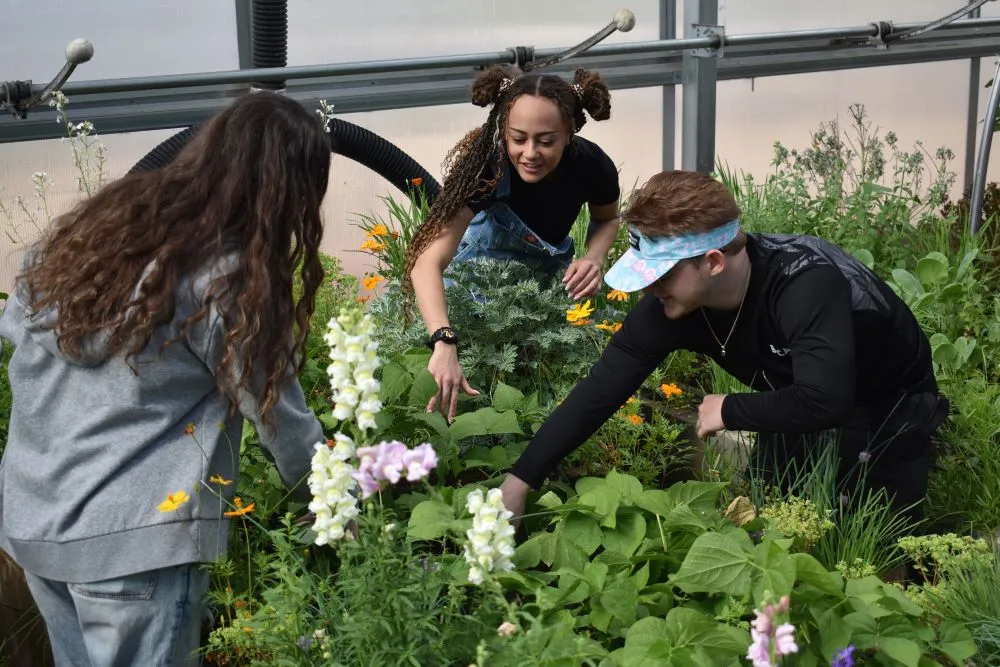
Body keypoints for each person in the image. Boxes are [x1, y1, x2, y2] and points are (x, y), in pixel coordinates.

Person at [0, 91, 331, 666]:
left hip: (35, 520)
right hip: (134, 546)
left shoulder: (96, 233)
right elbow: (277, 409)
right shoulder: (224, 275)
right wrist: (335, 498)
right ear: (288, 193)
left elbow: (15, 326)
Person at [499, 169, 949, 524]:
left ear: (713, 262)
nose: (647, 289)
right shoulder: (674, 302)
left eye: (661, 274)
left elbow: (825, 400)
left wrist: (730, 409)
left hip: (886, 402)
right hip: (794, 390)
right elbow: (602, 387)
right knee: (768, 516)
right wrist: (522, 478)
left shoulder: (803, 285)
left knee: (868, 535)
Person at [402, 65, 623, 421]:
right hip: (476, 276)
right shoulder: (488, 167)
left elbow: (607, 218)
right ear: (503, 130)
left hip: (548, 274)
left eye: (546, 140)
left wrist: (594, 258)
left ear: (570, 132)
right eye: (518, 138)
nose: (530, 152)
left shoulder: (592, 166)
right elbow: (426, 262)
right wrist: (443, 339)